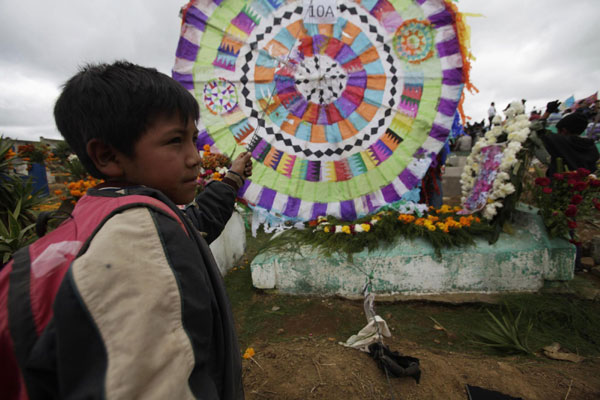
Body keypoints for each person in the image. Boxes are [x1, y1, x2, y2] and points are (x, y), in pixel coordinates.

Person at [0, 61, 250, 399]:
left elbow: (197, 223)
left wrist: (232, 178)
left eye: (193, 138)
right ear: (106, 155)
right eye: (175, 141)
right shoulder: (139, 244)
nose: (195, 158)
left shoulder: (106, 210)